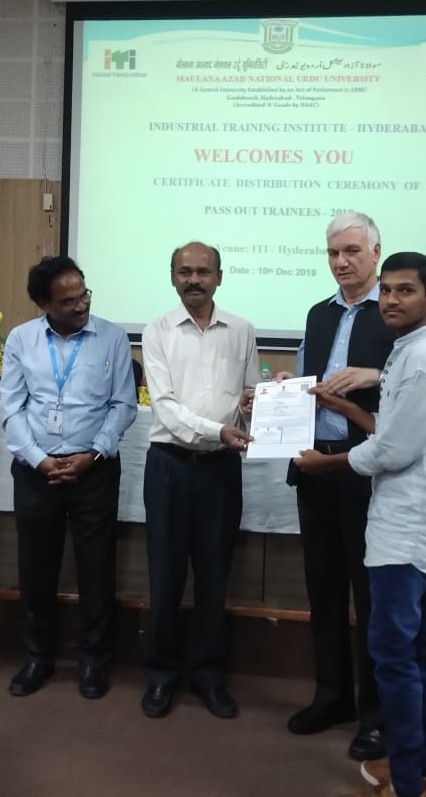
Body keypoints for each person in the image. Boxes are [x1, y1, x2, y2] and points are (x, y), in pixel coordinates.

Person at [302, 252, 426, 797]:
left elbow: (391, 450)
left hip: (407, 526)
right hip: (413, 519)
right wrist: (344, 410)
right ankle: (423, 770)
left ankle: (412, 783)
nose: (392, 300)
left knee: (396, 656)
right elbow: (389, 429)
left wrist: (322, 463)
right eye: (388, 291)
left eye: (406, 291)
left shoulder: (422, 357)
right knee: (422, 651)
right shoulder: (411, 349)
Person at [276, 211, 396, 761]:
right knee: (323, 590)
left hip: (367, 467)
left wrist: (378, 376)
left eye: (351, 251)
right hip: (314, 463)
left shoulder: (395, 313)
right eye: (332, 253)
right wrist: (285, 387)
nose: (341, 262)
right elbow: (311, 378)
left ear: (375, 251)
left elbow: (418, 381)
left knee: (371, 598)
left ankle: (377, 715)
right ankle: (331, 697)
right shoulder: (317, 314)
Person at [0, 256, 137, 700]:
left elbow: (123, 406)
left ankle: (95, 660)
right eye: (68, 301)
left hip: (93, 471)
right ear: (44, 303)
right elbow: (12, 409)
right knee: (36, 569)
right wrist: (39, 460)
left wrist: (93, 453)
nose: (80, 306)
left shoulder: (112, 338)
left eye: (84, 295)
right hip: (36, 473)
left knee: (96, 569)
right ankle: (38, 657)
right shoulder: (22, 340)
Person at [140, 242, 258, 720]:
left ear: (219, 277)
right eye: (185, 272)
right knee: (165, 577)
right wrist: (220, 429)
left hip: (220, 470)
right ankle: (161, 677)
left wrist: (259, 404)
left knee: (213, 576)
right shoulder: (156, 331)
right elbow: (164, 406)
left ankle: (209, 676)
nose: (194, 279)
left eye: (203, 271)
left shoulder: (243, 330)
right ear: (172, 278)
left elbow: (249, 393)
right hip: (169, 465)